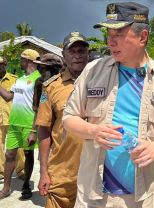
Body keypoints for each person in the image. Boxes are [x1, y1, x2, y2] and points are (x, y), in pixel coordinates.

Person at [62, 2, 154, 208]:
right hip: (93, 193)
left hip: (138, 195)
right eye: (108, 35)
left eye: (118, 35)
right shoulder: (93, 70)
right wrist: (93, 130)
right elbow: (68, 117)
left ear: (142, 37)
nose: (111, 42)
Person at [36, 32, 89, 208]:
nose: (77, 55)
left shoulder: (103, 83)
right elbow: (44, 130)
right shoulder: (51, 88)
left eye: (81, 50)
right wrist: (44, 171)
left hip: (95, 173)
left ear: (87, 54)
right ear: (64, 56)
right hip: (62, 172)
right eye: (72, 51)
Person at [0, 49, 41, 200]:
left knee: (28, 154)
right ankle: (6, 188)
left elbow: (39, 106)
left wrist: (33, 130)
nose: (19, 62)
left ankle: (25, 186)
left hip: (29, 124)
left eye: (21, 59)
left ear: (29, 61)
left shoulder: (38, 79)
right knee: (9, 154)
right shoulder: (20, 79)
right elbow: (8, 96)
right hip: (14, 124)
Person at [0, 57, 25, 181]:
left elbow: (11, 97)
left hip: (12, 116)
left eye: (1, 64)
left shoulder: (15, 80)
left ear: (5, 64)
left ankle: (21, 170)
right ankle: (2, 172)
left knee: (18, 147)